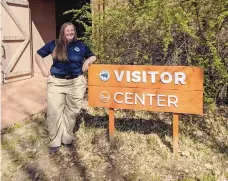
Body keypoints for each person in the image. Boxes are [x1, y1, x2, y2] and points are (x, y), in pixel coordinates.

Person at [35, 22, 96, 153]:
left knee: (71, 113)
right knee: (53, 112)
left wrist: (88, 61)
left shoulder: (80, 45)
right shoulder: (54, 44)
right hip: (56, 83)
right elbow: (38, 54)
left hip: (75, 83)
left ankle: (67, 138)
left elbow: (92, 55)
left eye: (72, 30)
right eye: (67, 30)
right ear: (63, 32)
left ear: (75, 32)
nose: (70, 32)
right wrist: (43, 71)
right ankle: (54, 141)